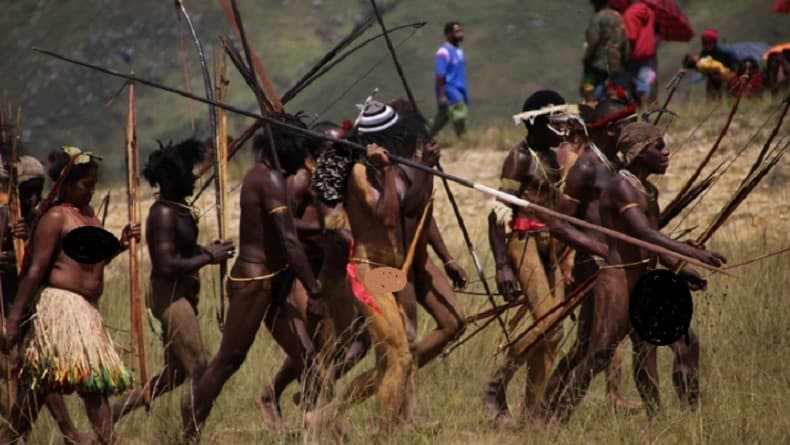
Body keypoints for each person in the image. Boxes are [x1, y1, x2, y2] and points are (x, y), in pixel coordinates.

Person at [539, 122, 726, 422]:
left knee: (683, 345)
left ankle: (683, 421)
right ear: (638, 153)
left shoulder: (647, 190)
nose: (666, 154)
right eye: (658, 147)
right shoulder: (621, 187)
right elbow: (644, 234)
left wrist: (680, 266)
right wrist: (692, 252)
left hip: (645, 279)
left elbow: (650, 242)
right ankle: (556, 423)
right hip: (618, 280)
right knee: (597, 356)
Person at [183, 115, 327, 441]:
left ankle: (320, 432)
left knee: (308, 359)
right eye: (298, 151)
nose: (301, 162)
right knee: (229, 360)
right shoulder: (269, 180)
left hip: (274, 281)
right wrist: (314, 291)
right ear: (283, 148)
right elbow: (290, 241)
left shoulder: (269, 176)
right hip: (254, 282)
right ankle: (189, 432)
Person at [1, 147, 140, 445]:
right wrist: (14, 321)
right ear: (65, 183)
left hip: (85, 311)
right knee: (88, 383)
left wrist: (121, 244)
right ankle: (107, 440)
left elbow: (90, 262)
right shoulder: (56, 217)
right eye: (86, 185)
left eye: (94, 184)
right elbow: (35, 271)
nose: (91, 191)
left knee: (42, 384)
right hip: (62, 309)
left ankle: (10, 437)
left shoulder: (88, 216)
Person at [112, 139, 235, 422]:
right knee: (199, 368)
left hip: (182, 292)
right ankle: (191, 434)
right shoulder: (163, 213)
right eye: (187, 173)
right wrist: (209, 257)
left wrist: (204, 251)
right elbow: (166, 264)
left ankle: (115, 414)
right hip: (169, 294)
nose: (192, 177)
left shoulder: (176, 205)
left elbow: (182, 251)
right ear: (169, 178)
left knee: (174, 375)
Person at [339, 100, 437, 426]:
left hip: (390, 274)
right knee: (399, 356)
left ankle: (329, 417)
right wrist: (390, 168)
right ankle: (385, 434)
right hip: (368, 273)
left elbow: (409, 206)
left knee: (395, 355)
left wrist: (425, 169)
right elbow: (389, 218)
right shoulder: (360, 173)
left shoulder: (379, 172)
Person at [543, 99, 645, 412]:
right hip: (596, 266)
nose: (632, 134)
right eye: (626, 128)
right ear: (611, 130)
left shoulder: (619, 165)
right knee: (590, 347)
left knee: (629, 341)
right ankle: (550, 412)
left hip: (620, 264)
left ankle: (548, 410)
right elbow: (558, 224)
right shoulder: (587, 167)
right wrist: (594, 250)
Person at [481, 90, 574, 424]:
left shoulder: (554, 157)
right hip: (523, 241)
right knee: (547, 323)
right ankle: (495, 384)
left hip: (552, 245)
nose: (562, 128)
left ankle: (535, 412)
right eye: (555, 121)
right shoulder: (519, 158)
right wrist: (502, 265)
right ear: (535, 122)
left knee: (555, 330)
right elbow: (496, 212)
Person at [0, 156, 84, 443]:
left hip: (30, 305)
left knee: (37, 368)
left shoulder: (42, 218)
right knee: (14, 369)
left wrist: (23, 247)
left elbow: (43, 264)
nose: (33, 198)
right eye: (26, 191)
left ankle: (62, 432)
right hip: (6, 303)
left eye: (38, 190)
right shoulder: (3, 215)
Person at [582, 0, 630, 103]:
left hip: (598, 62)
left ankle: (592, 107)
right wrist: (624, 59)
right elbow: (625, 41)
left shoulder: (597, 18)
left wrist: (587, 57)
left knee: (589, 88)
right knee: (611, 88)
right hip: (615, 62)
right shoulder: (618, 17)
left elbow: (593, 40)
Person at [430, 22, 468, 139]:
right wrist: (441, 95)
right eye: (457, 32)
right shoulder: (443, 52)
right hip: (449, 89)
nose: (460, 34)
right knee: (460, 113)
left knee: (442, 117)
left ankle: (425, 137)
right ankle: (463, 139)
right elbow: (440, 74)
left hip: (460, 88)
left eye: (461, 31)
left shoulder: (458, 51)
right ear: (449, 34)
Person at [622, 0, 657, 109]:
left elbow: (631, 36)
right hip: (647, 53)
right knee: (643, 83)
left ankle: (632, 109)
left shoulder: (629, 13)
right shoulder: (649, 11)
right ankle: (645, 108)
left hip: (634, 53)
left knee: (626, 83)